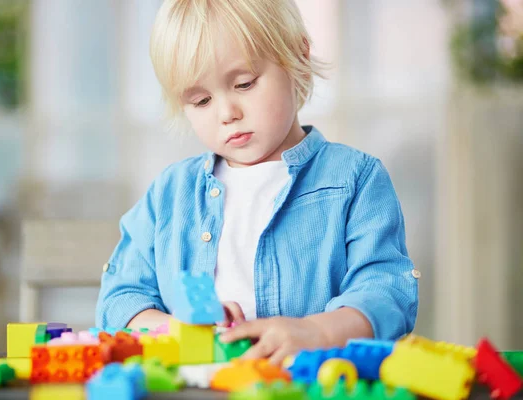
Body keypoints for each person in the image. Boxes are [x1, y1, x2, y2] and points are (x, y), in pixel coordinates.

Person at [96, 0, 419, 365]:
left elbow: (386, 289)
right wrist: (173, 329)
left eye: (244, 83)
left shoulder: (354, 179)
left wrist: (319, 332)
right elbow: (121, 296)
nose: (227, 113)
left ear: (297, 55)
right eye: (201, 100)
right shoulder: (170, 194)